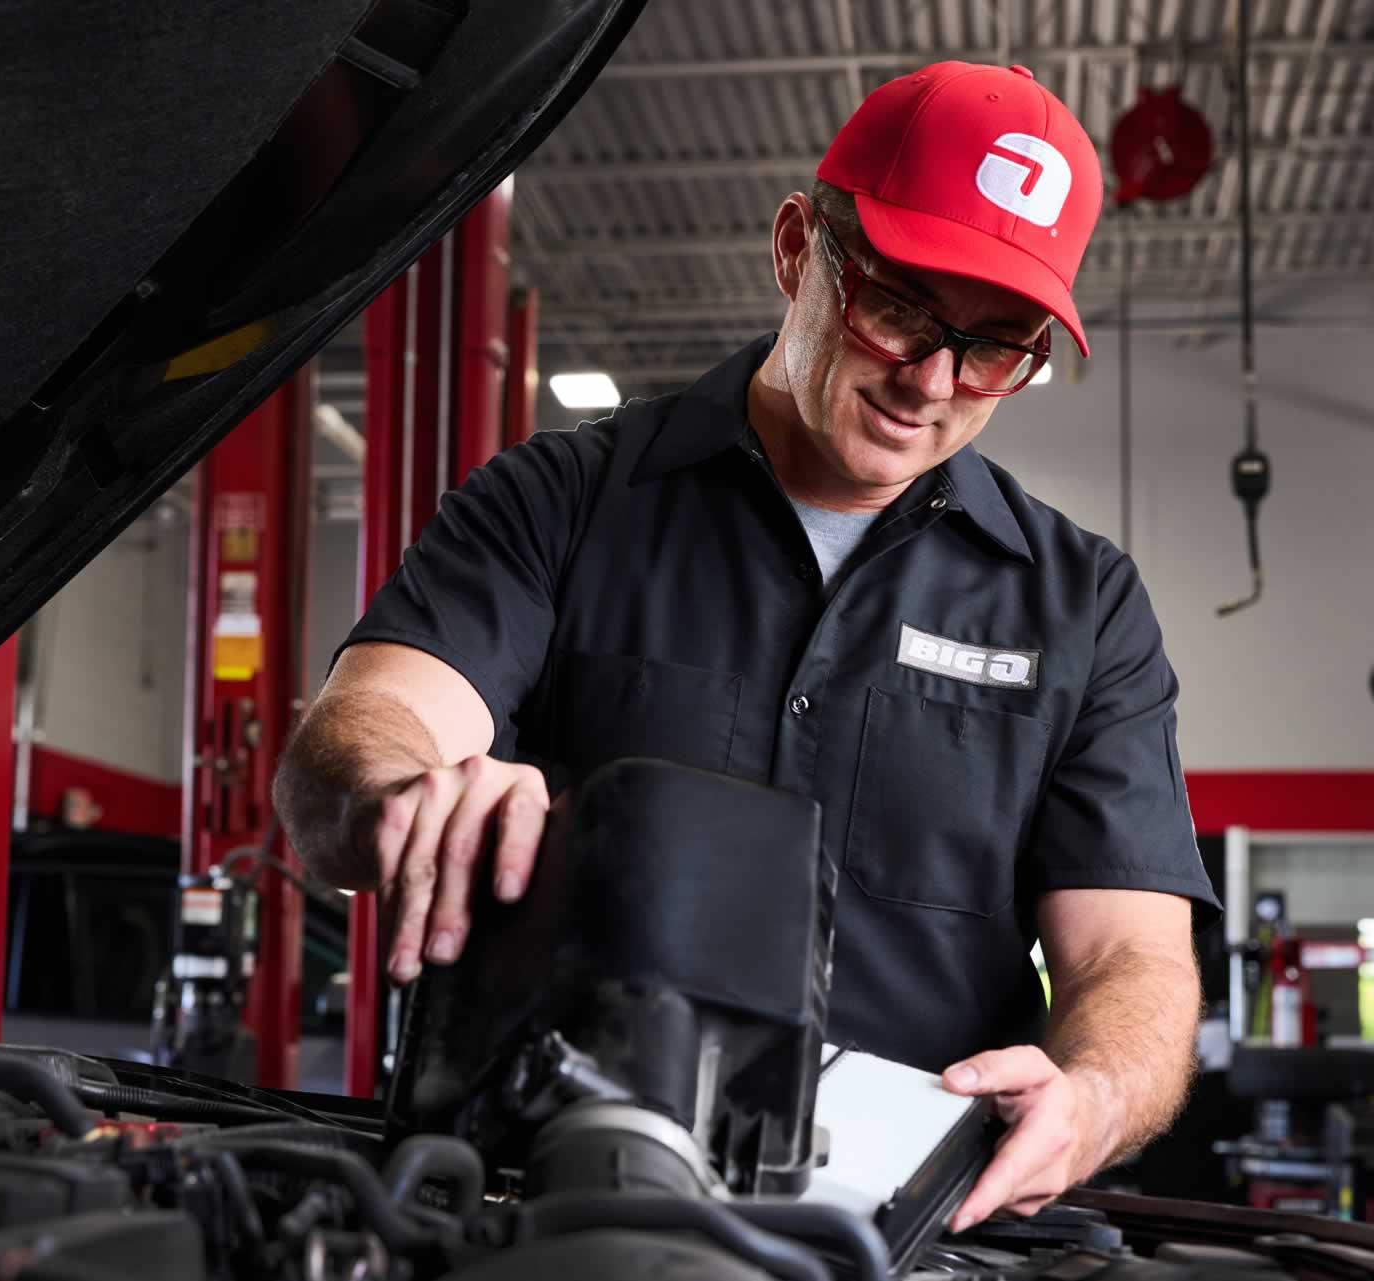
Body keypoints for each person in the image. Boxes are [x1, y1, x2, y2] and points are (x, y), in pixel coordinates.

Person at [275, 61, 1220, 1231]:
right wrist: (413, 796)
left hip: (902, 1238)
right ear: (797, 251)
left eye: (994, 348)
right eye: (899, 309)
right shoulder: (563, 502)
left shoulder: (1082, 607)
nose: (930, 381)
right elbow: (362, 742)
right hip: (546, 1214)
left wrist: (1091, 1097)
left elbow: (1134, 961)